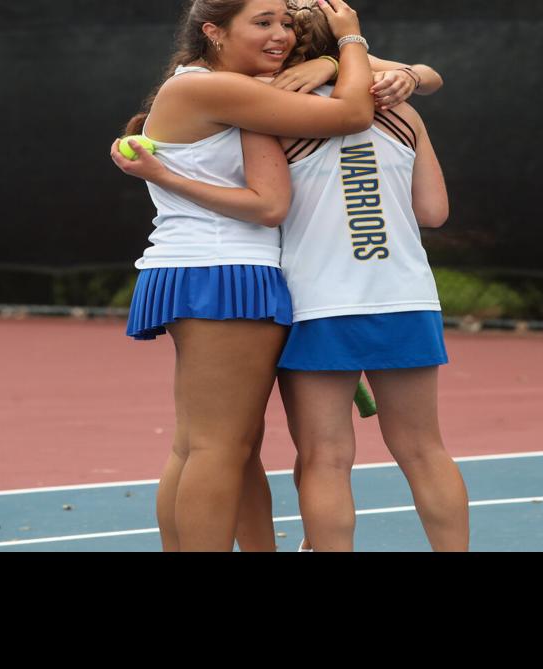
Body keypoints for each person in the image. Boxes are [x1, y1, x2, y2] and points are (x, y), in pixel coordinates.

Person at [115, 0, 468, 552]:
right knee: (221, 448)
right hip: (283, 279)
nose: (277, 33)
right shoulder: (276, 100)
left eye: (284, 24)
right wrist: (353, 50)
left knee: (239, 449)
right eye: (263, 23)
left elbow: (413, 79)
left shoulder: (261, 98)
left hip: (302, 294)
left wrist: (339, 64)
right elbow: (420, 201)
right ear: (214, 30)